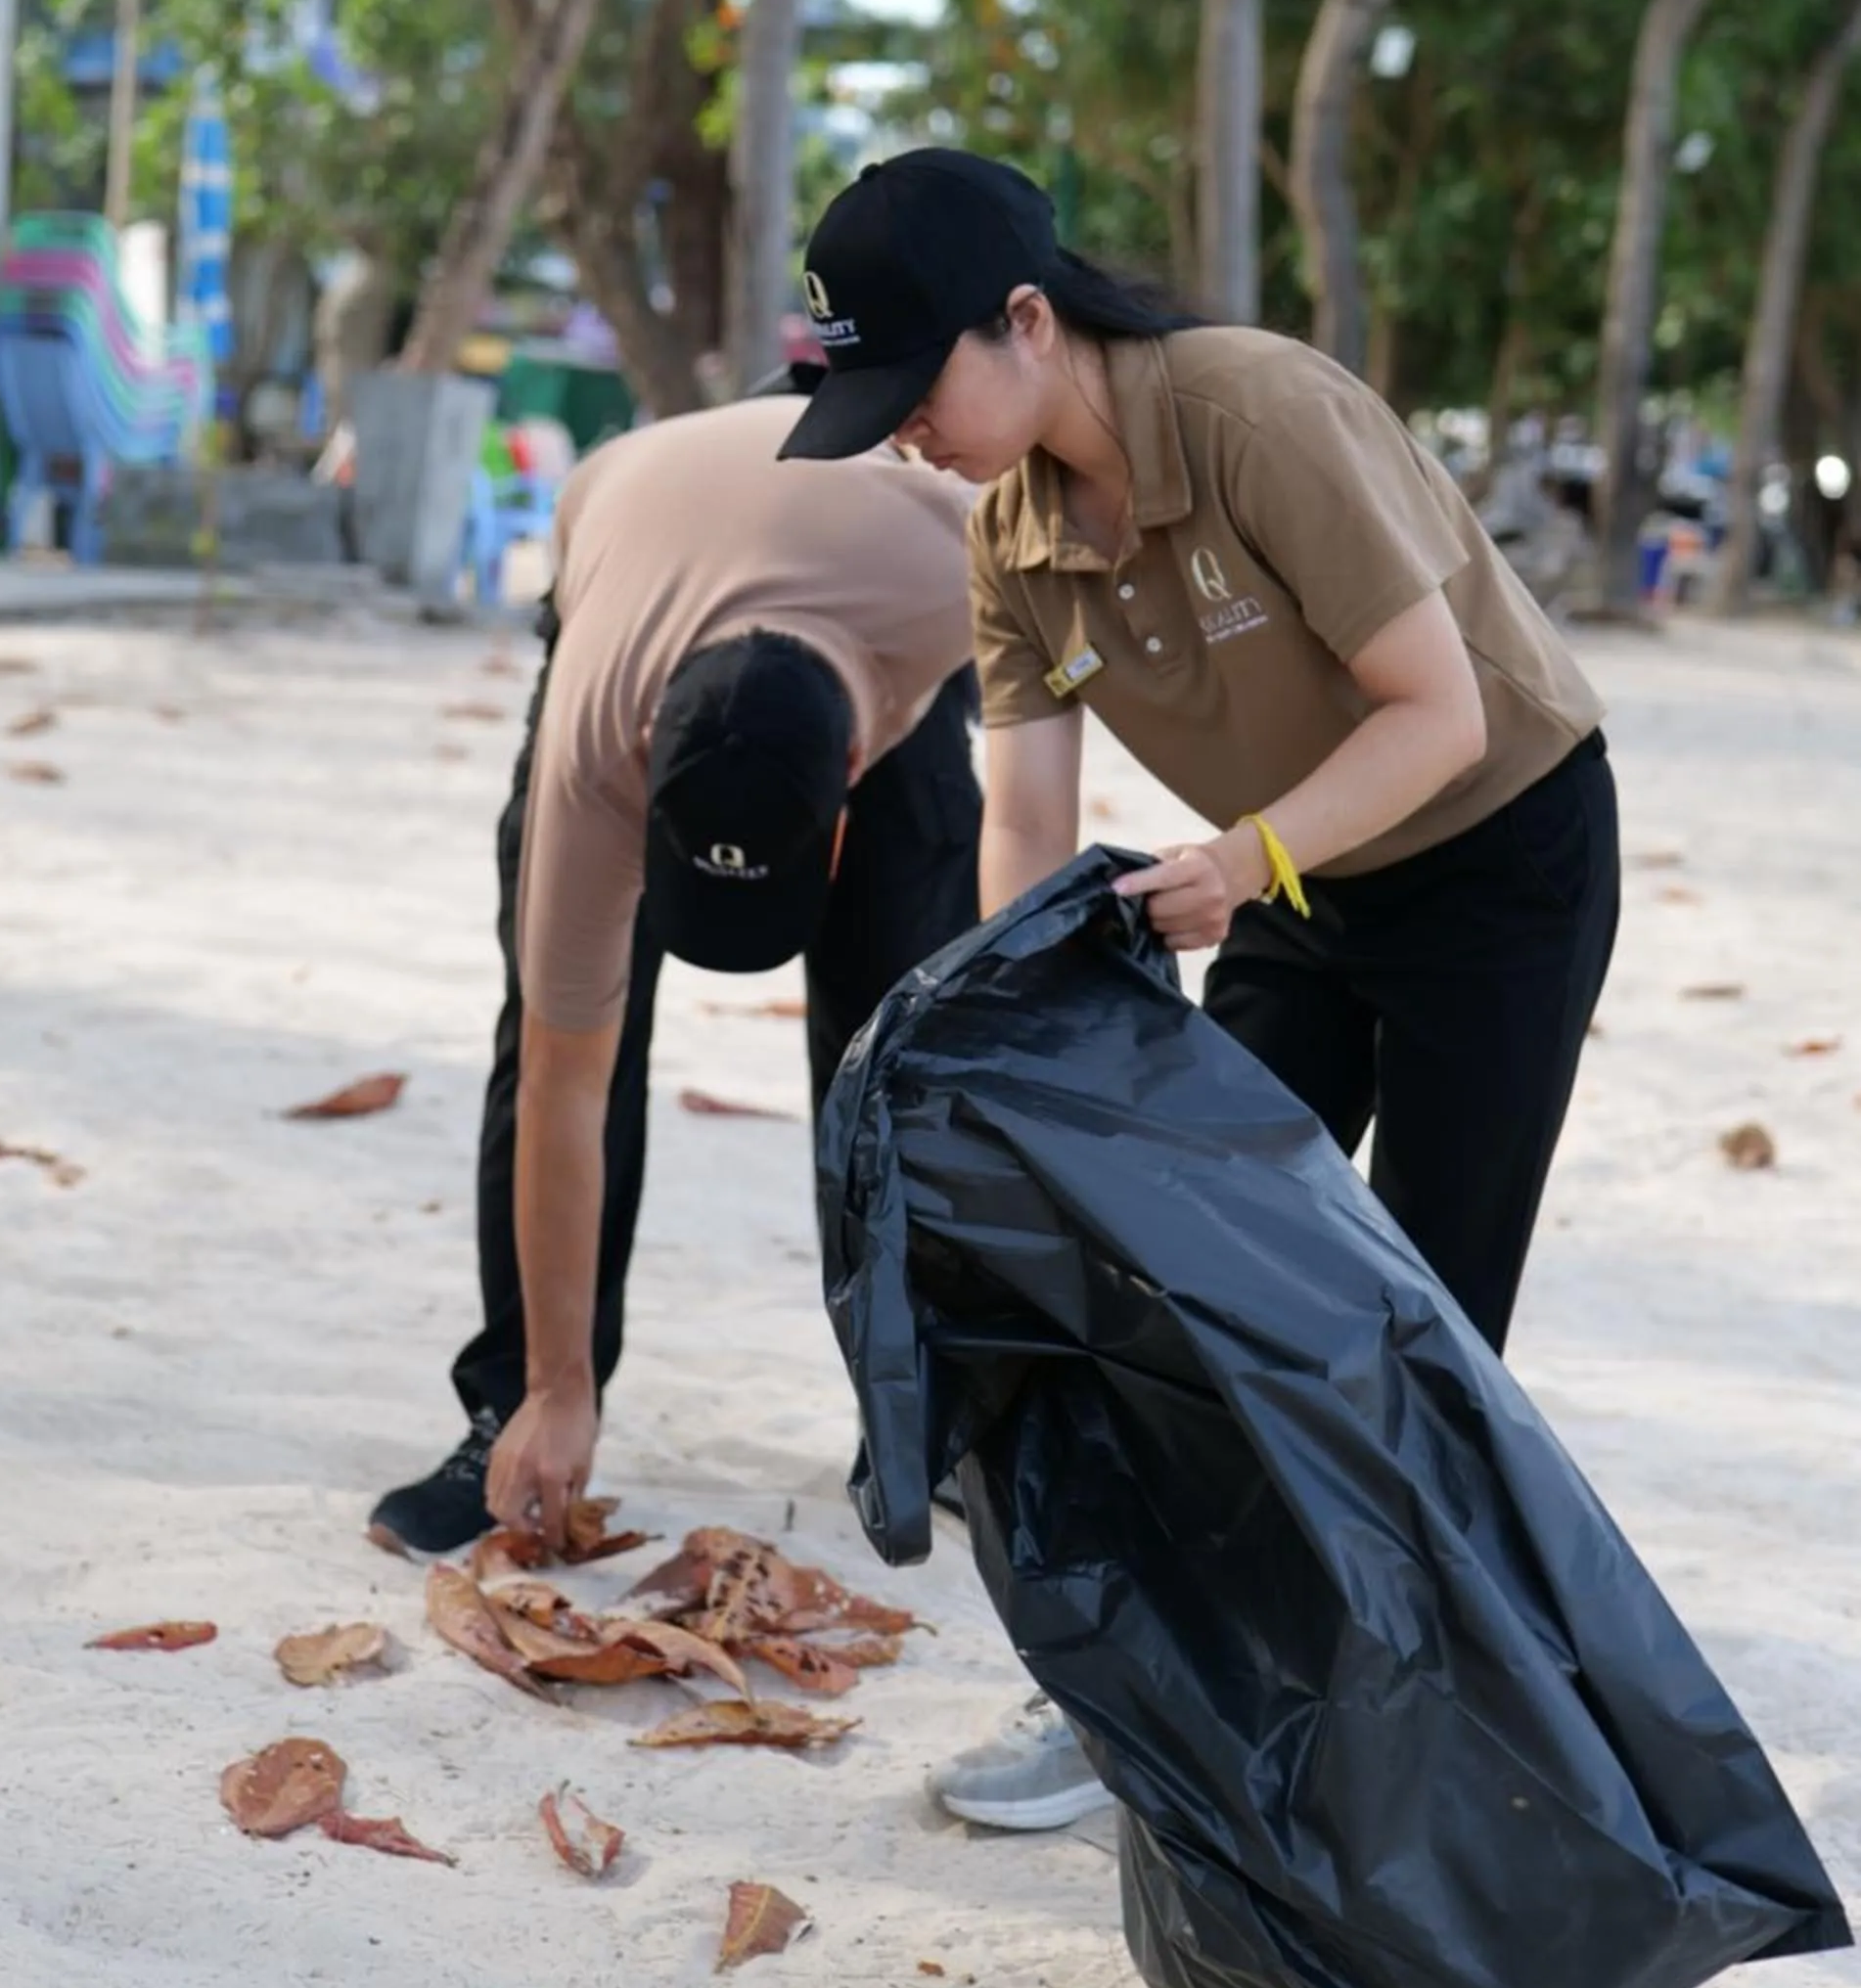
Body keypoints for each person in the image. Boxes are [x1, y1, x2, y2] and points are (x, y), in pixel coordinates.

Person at [782, 147, 1620, 1830]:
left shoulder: (1252, 412)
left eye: (910, 383)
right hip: (1291, 876)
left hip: (1489, 855)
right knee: (1194, 1295)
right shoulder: (1009, 538)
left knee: (1421, 1323)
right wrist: (1007, 1039)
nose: (900, 434)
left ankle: (1408, 1749)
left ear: (1024, 319)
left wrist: (1238, 868)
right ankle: (1142, 1711)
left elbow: (1434, 715)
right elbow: (1022, 819)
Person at [370, 392, 981, 1558]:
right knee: (557, 1016)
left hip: (867, 585)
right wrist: (560, 1385)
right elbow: (565, 1078)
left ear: (851, 784)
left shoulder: (963, 574)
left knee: (912, 1049)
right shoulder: (600, 740)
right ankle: (519, 1401)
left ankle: (927, 1416)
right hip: (640, 569)